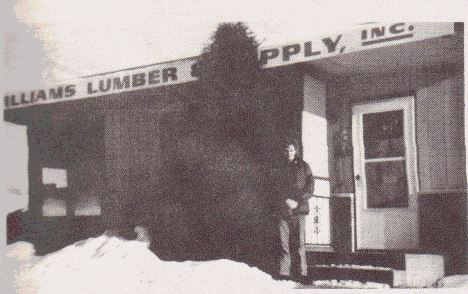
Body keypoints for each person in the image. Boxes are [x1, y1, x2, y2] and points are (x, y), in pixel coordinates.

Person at [278, 140, 314, 281]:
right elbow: (274, 187)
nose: (289, 153)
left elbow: (310, 187)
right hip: (283, 209)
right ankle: (284, 273)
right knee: (283, 242)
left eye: (291, 150)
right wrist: (285, 200)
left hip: (299, 209)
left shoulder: (304, 167)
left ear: (296, 151)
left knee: (300, 243)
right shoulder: (279, 167)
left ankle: (302, 273)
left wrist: (297, 201)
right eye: (286, 150)